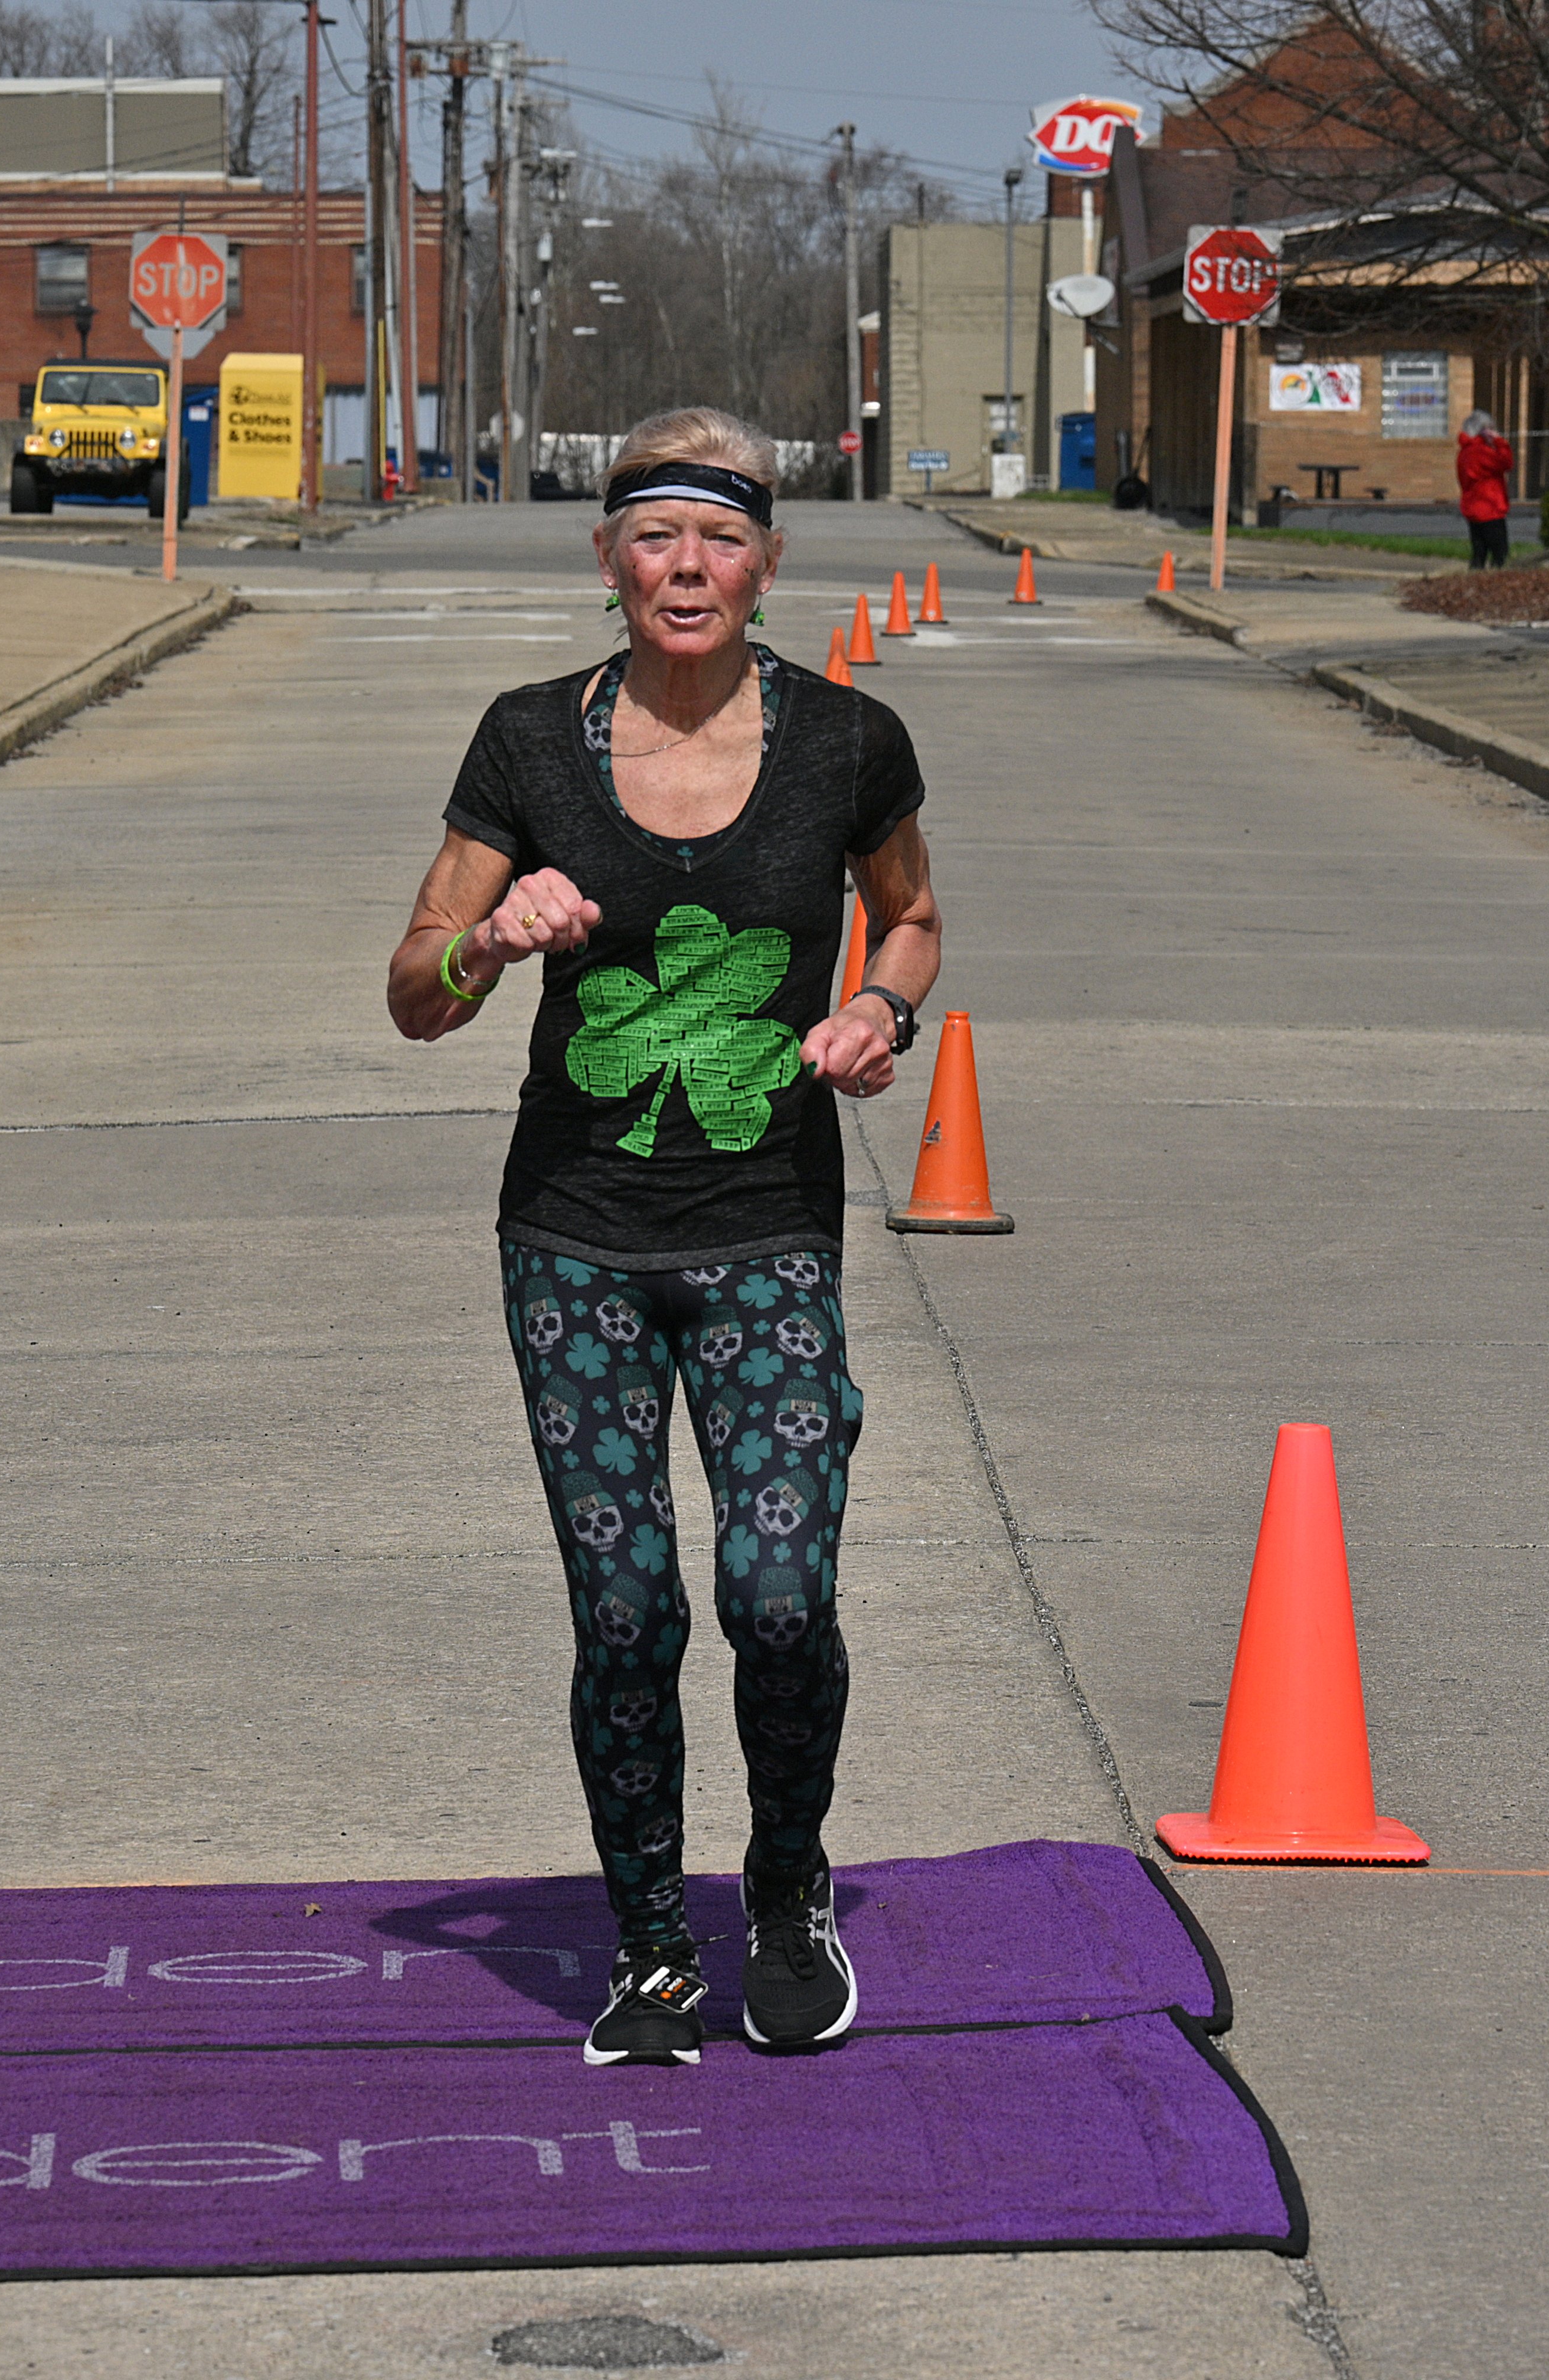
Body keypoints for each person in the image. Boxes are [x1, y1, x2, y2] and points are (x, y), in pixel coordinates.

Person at [387, 406, 942, 2070]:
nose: (685, 567)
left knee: (778, 1595)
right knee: (626, 1612)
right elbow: (412, 994)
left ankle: (784, 1893)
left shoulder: (851, 743)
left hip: (768, 1234)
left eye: (718, 538)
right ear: (610, 556)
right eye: (653, 537)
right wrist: (491, 937)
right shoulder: (528, 745)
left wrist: (877, 1011)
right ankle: (649, 1948)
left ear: (767, 560)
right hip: (573, 1244)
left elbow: (910, 916)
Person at [1456, 410, 1515, 570]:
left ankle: (1476, 580)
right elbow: (1506, 463)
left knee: (1479, 553)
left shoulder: (1464, 453)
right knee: (1500, 556)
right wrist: (1499, 442)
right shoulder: (1481, 452)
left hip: (1473, 508)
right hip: (1490, 508)